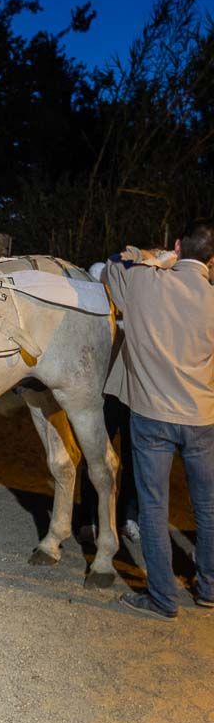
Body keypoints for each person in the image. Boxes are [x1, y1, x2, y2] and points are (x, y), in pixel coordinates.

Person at [104, 220, 214, 619]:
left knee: (154, 507)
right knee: (208, 506)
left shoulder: (146, 283)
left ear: (178, 246)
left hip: (152, 415)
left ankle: (163, 598)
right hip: (202, 418)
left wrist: (154, 258)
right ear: (213, 260)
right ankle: (209, 587)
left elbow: (111, 265)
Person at [79, 262, 139, 543]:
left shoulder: (140, 308)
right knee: (95, 454)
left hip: (134, 394)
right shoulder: (97, 308)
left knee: (133, 458)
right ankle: (88, 518)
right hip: (104, 393)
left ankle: (128, 517)